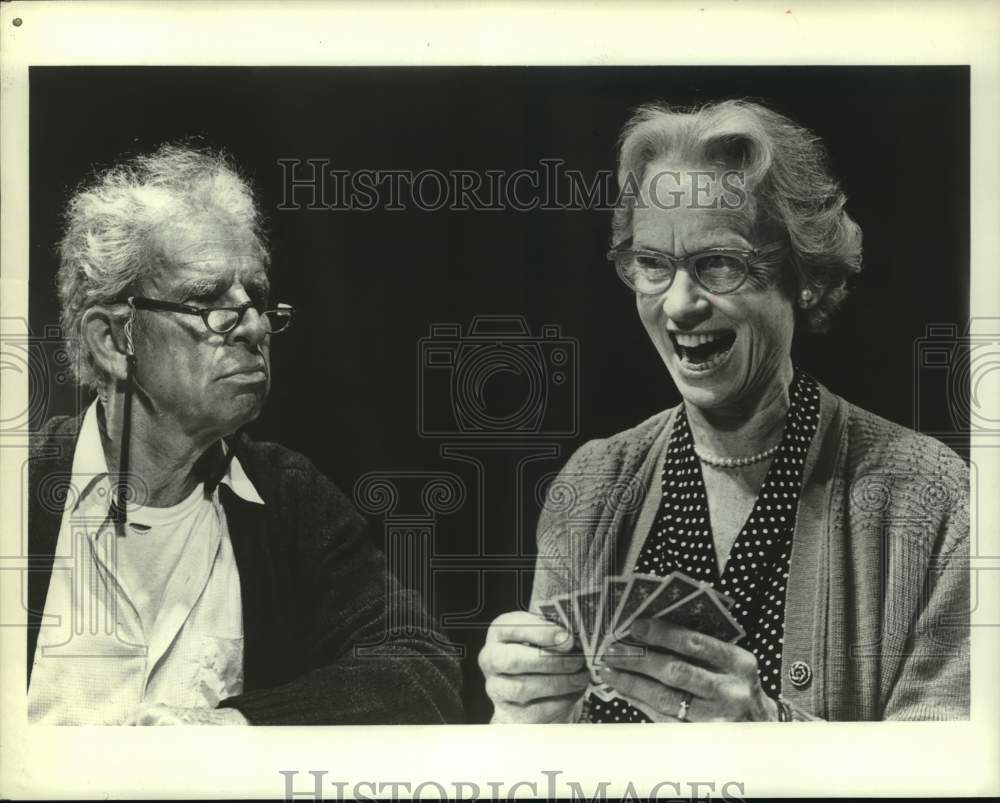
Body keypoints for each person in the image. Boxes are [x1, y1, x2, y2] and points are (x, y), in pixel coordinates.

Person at [479, 100, 969, 722]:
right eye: (653, 264)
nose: (679, 305)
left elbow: (956, 775)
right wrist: (521, 721)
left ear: (803, 277)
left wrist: (769, 738)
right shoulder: (592, 484)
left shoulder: (933, 497)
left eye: (719, 264)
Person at [27, 144, 462, 725]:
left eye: (255, 299)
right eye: (208, 301)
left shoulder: (286, 496)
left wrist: (237, 727)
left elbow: (422, 669)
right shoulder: (18, 489)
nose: (254, 326)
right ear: (113, 341)